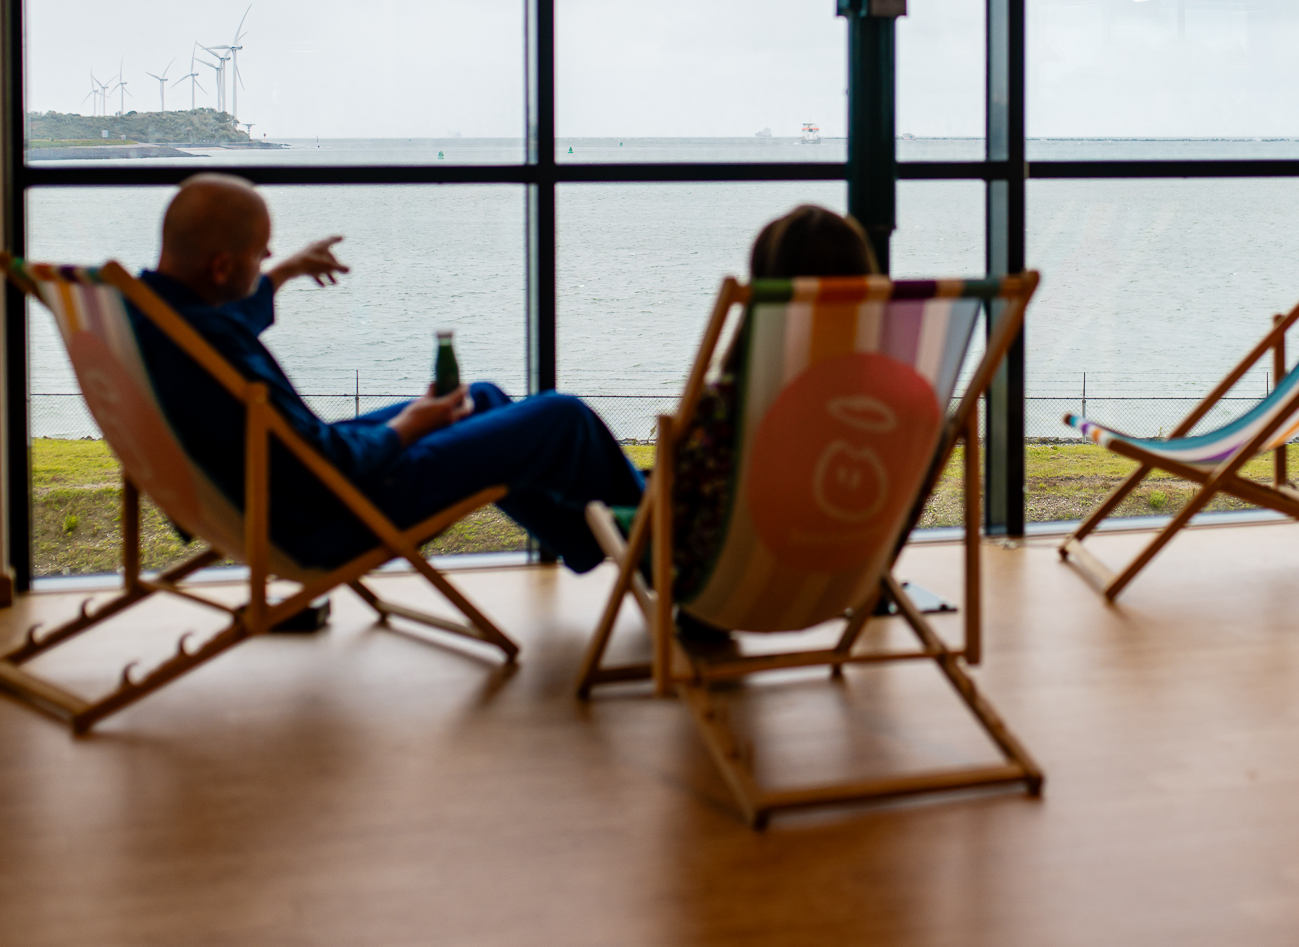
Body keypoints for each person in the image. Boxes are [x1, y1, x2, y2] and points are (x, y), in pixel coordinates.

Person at [132, 173, 644, 572]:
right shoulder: (208, 342)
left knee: (480, 399)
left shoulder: (153, 317)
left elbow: (225, 324)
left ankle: (605, 535)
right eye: (258, 252)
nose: (267, 257)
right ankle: (658, 541)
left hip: (286, 489)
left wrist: (282, 273)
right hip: (326, 512)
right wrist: (409, 427)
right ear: (221, 267)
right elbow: (323, 464)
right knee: (561, 416)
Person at [668, 205, 880, 630]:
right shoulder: (887, 410)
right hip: (840, 579)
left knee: (566, 424)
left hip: (711, 579)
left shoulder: (730, 405)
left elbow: (677, 513)